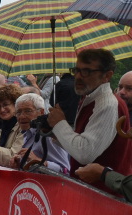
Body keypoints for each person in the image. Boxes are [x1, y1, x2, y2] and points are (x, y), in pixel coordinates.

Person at [46, 49, 132, 190]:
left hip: (103, 197)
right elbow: (82, 143)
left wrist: (60, 124)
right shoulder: (91, 99)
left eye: (87, 71)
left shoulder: (107, 104)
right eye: (76, 70)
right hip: (90, 193)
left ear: (107, 76)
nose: (78, 77)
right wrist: (55, 132)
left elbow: (85, 153)